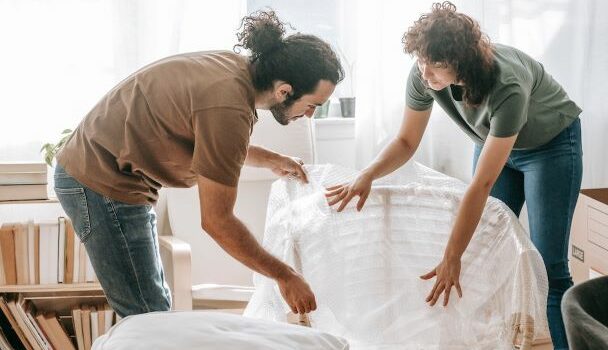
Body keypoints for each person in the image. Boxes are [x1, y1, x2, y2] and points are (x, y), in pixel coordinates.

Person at [54, 10, 343, 318]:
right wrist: (285, 275)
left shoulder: (234, 72)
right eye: (313, 105)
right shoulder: (228, 105)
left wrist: (272, 160)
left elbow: (215, 143)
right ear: (284, 90)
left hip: (110, 175)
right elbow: (217, 221)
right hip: (99, 181)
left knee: (153, 309)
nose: (311, 115)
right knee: (147, 316)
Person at [325, 2, 581, 348]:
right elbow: (405, 140)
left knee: (549, 265)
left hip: (549, 146)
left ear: (462, 63)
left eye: (436, 65)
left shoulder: (507, 85)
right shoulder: (423, 74)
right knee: (487, 254)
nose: (425, 73)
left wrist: (451, 257)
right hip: (494, 141)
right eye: (420, 60)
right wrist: (368, 174)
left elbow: (481, 184)